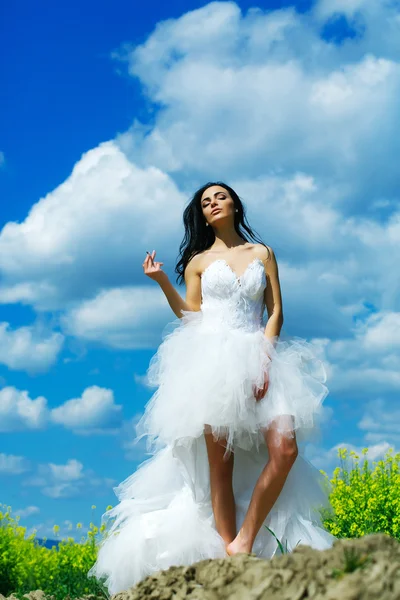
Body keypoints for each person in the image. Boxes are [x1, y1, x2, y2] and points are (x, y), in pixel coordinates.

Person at [88, 182, 336, 595]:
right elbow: (192, 315)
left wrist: (265, 357)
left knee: (285, 450)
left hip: (261, 356)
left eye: (219, 197)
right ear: (202, 216)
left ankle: (246, 536)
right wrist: (162, 281)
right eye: (205, 202)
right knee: (220, 465)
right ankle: (230, 552)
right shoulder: (199, 261)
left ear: (234, 204)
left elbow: (275, 311)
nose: (213, 204)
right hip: (212, 362)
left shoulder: (263, 253)